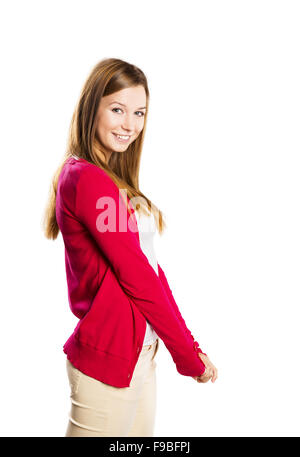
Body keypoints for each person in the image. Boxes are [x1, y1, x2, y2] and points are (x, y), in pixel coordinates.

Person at [42, 57, 217, 437]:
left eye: (139, 112)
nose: (130, 124)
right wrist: (186, 356)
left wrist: (189, 344)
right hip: (109, 360)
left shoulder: (109, 179)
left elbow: (150, 268)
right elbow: (137, 276)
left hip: (140, 355)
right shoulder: (87, 179)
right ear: (93, 107)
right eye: (117, 109)